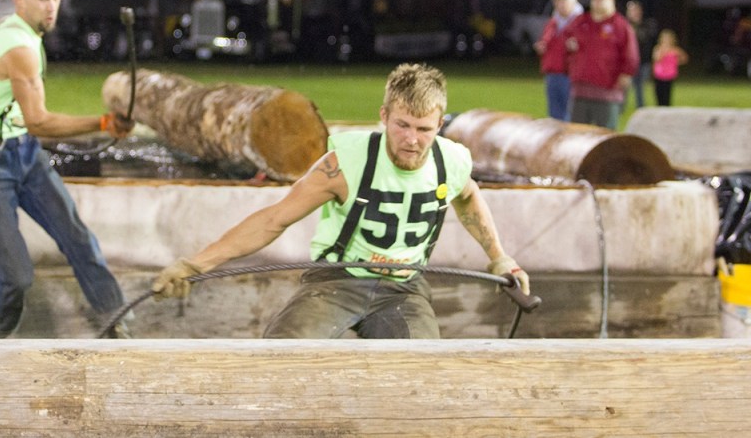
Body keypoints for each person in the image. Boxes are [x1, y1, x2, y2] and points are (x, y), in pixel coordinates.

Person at [152, 63, 529, 339]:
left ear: (440, 125)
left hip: (404, 289)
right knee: (278, 356)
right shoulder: (344, 163)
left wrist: (499, 257)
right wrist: (194, 264)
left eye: (423, 129)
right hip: (336, 281)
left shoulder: (453, 160)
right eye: (402, 125)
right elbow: (274, 220)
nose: (411, 139)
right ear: (384, 116)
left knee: (423, 372)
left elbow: (468, 198)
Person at [0, 0, 134, 339]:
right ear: (18, 0)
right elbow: (40, 122)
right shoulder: (19, 48)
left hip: (23, 153)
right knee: (15, 277)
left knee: (79, 239)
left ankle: (117, 322)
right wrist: (104, 124)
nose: (52, 5)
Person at [563, 0, 639, 130]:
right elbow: (565, 43)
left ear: (612, 0)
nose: (598, 1)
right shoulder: (580, 22)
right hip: (580, 90)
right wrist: (569, 47)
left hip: (607, 92)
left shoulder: (620, 26)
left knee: (605, 139)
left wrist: (626, 74)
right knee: (576, 137)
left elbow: (630, 55)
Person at [533, 0, 582, 120]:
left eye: (563, 1)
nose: (559, 4)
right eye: (557, 1)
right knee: (554, 115)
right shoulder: (553, 22)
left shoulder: (581, 23)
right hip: (552, 72)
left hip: (570, 75)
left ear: (573, 2)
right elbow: (546, 41)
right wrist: (542, 47)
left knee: (569, 114)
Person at [624, 0, 658, 109]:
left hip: (643, 62)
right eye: (630, 10)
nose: (633, 13)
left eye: (635, 10)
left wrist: (634, 27)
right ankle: (620, 109)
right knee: (625, 87)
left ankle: (640, 108)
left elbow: (644, 39)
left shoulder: (647, 24)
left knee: (640, 87)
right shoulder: (624, 25)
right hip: (628, 63)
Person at [651, 29, 689, 106]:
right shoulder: (658, 48)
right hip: (659, 75)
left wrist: (676, 62)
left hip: (669, 76)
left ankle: (666, 109)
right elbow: (656, 59)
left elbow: (685, 58)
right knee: (659, 94)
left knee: (667, 94)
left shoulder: (675, 50)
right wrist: (664, 52)